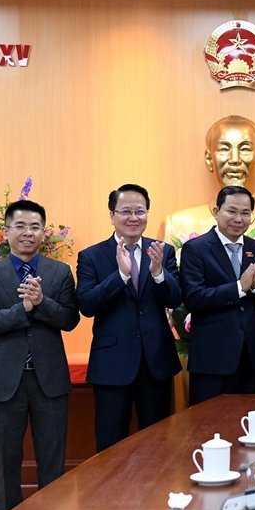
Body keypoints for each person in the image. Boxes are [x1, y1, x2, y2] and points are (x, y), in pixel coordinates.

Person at [0, 200, 80, 510]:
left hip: (50, 380)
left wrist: (42, 302)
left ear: (44, 232)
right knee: (6, 461)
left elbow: (70, 319)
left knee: (52, 460)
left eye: (35, 226)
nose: (27, 233)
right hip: (5, 382)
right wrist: (23, 310)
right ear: (6, 232)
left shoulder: (59, 272)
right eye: (20, 226)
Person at [76, 184, 183, 453]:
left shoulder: (163, 251)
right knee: (111, 446)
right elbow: (86, 305)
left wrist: (158, 274)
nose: (133, 218)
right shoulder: (92, 256)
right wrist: (121, 276)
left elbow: (175, 299)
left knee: (158, 444)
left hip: (156, 361)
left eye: (140, 211)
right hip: (112, 364)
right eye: (126, 211)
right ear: (112, 215)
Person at [179, 185, 255, 401]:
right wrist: (239, 287)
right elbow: (194, 299)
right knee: (212, 420)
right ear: (216, 212)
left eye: (245, 213)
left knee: (254, 418)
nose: (238, 219)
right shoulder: (196, 249)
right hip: (213, 359)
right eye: (231, 211)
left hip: (252, 359)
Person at [159, 115, 255, 249]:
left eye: (245, 149)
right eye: (224, 149)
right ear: (209, 159)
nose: (235, 159)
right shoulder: (176, 226)